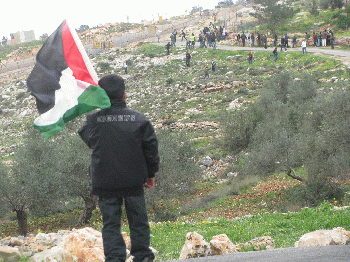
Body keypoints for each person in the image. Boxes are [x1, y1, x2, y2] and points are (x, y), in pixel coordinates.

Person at [78, 74, 159, 262]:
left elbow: (89, 140)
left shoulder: (92, 121)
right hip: (134, 180)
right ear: (124, 95)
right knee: (138, 220)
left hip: (105, 181)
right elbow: (151, 148)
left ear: (101, 96)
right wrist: (150, 173)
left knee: (111, 223)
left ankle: (114, 259)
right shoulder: (139, 119)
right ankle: (142, 256)